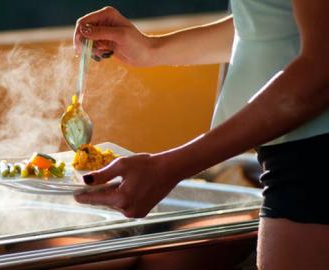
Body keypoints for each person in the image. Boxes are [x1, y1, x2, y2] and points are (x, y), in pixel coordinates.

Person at [72, 1, 329, 269]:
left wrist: (169, 167)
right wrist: (151, 50)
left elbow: (321, 69)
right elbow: (270, 22)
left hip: (315, 160)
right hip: (290, 154)